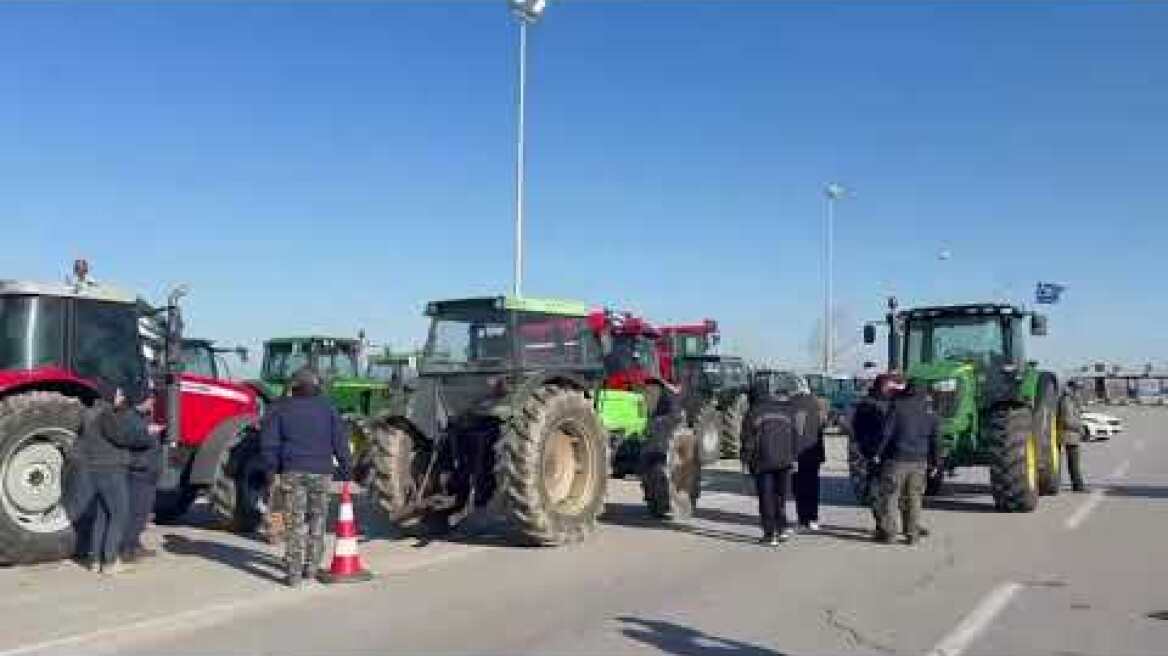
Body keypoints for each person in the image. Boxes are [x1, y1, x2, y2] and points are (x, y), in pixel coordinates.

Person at [260, 367, 352, 587]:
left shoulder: (282, 409)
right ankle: (311, 568)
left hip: (293, 471)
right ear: (317, 386)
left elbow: (269, 443)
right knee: (318, 520)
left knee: (294, 523)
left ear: (296, 387)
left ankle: (293, 574)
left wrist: (271, 470)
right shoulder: (328, 409)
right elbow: (340, 440)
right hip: (322, 471)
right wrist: (347, 466)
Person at [77, 386, 159, 574]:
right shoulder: (106, 414)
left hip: (94, 468)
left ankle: (95, 560)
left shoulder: (88, 413)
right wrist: (148, 434)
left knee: (102, 515)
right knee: (118, 515)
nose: (122, 398)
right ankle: (111, 561)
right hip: (111, 468)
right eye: (119, 394)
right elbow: (122, 438)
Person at [740, 376, 817, 547]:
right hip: (785, 461)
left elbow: (747, 440)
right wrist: (795, 457)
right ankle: (782, 529)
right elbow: (796, 436)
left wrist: (745, 461)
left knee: (766, 497)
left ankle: (770, 534)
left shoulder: (753, 412)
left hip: (764, 461)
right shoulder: (785, 410)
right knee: (780, 497)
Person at [874, 378, 941, 545]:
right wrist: (935, 463)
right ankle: (912, 535)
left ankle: (889, 533)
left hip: (896, 459)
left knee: (890, 496)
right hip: (919, 462)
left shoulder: (897, 407)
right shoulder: (930, 412)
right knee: (914, 497)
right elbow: (935, 441)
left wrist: (877, 453)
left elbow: (886, 434)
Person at [848, 373, 895, 524]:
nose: (892, 388)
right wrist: (867, 450)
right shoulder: (867, 405)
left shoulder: (892, 403)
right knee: (875, 489)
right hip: (872, 452)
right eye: (889, 385)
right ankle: (883, 523)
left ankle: (892, 522)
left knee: (891, 489)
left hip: (889, 452)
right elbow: (858, 430)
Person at [121, 391, 163, 563]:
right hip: (139, 471)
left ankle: (135, 544)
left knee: (143, 512)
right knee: (135, 512)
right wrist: (149, 432)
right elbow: (130, 439)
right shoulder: (130, 417)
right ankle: (127, 549)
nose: (152, 404)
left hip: (148, 471)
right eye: (150, 401)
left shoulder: (142, 417)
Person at [792, 377, 827, 532]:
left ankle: (803, 519)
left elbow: (798, 431)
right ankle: (813, 518)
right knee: (812, 486)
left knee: (799, 487)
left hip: (800, 453)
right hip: (815, 452)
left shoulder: (797, 404)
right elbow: (822, 426)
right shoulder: (818, 403)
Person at [1059, 380, 1088, 492]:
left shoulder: (1072, 400)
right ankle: (1078, 485)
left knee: (1074, 462)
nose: (1079, 391)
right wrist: (1080, 427)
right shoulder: (1067, 401)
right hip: (1069, 435)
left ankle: (1077, 484)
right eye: (1077, 389)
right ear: (1072, 388)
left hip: (1072, 435)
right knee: (1074, 462)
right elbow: (1067, 420)